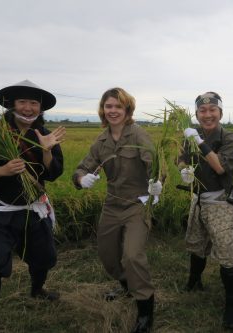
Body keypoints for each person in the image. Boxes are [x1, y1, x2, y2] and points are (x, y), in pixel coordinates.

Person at [0, 80, 65, 333]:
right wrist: (2, 170)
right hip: (0, 209)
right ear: (11, 105)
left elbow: (52, 174)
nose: (29, 108)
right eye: (23, 102)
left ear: (40, 108)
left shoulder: (43, 134)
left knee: (44, 258)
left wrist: (47, 151)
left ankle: (37, 289)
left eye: (34, 103)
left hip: (33, 207)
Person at [72, 87, 161, 333]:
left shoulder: (138, 135)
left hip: (137, 205)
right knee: (108, 256)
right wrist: (81, 180)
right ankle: (126, 285)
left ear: (127, 109)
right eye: (108, 106)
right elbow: (82, 167)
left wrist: (157, 181)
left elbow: (154, 162)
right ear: (103, 110)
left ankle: (145, 310)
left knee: (132, 255)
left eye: (118, 106)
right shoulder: (100, 141)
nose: (113, 111)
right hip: (112, 205)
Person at [178, 92, 233, 331]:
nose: (207, 115)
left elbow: (219, 168)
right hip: (198, 200)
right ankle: (194, 282)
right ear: (196, 114)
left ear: (220, 113)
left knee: (227, 254)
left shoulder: (231, 139)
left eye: (212, 110)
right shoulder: (188, 136)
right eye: (202, 111)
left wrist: (198, 141)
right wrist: (183, 169)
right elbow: (181, 158)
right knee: (196, 244)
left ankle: (230, 306)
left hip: (221, 202)